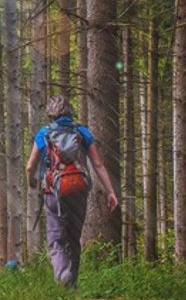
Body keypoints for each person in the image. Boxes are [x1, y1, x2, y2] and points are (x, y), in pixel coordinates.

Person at [25, 95, 118, 289]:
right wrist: (111, 192)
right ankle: (72, 283)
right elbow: (98, 164)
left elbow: (29, 166)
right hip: (78, 189)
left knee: (56, 239)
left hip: (53, 191)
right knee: (74, 238)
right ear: (69, 111)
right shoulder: (82, 131)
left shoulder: (44, 133)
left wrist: (32, 182)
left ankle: (63, 276)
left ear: (51, 113)